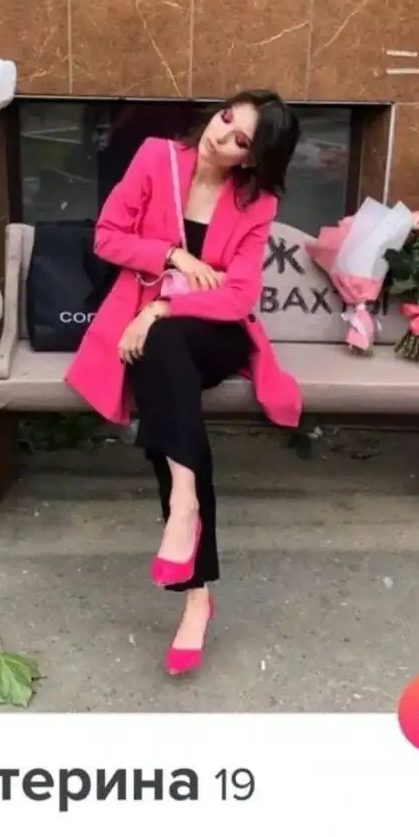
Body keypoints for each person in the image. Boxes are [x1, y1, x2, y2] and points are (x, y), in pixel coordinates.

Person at [65, 90, 302, 676]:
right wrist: (173, 256)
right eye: (226, 118)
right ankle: (191, 553)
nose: (222, 135)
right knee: (164, 375)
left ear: (253, 158)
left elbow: (238, 296)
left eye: (241, 139)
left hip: (214, 331)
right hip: (154, 332)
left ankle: (183, 516)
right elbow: (107, 237)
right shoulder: (156, 158)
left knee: (161, 347)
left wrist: (160, 309)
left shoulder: (256, 201)